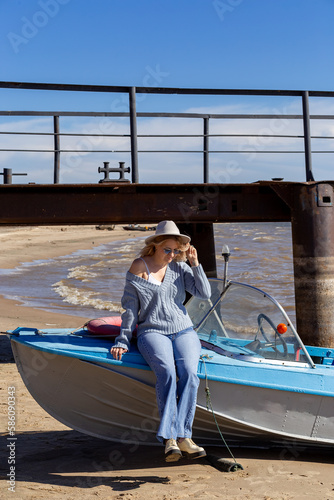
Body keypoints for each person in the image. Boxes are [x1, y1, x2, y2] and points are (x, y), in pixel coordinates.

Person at [110, 220, 211, 462]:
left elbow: (205, 294)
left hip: (184, 330)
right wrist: (122, 340)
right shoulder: (138, 267)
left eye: (177, 250)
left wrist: (195, 264)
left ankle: (184, 436)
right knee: (166, 372)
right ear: (155, 246)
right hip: (152, 332)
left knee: (189, 373)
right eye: (168, 249)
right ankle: (169, 440)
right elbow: (130, 309)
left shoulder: (179, 267)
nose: (172, 254)